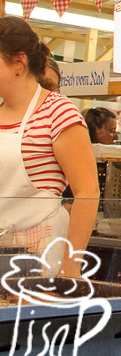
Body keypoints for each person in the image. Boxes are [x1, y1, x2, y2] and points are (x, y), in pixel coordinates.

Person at [0, 17, 98, 276]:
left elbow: (87, 192)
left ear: (18, 63)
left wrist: (70, 267)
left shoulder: (58, 112)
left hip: (40, 251)